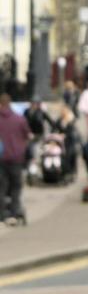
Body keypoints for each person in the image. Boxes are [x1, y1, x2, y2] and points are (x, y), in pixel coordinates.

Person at [0, 93, 28, 224]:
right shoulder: (19, 119)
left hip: (1, 159)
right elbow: (26, 135)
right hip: (16, 158)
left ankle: (2, 214)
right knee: (16, 187)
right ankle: (14, 212)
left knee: (2, 186)